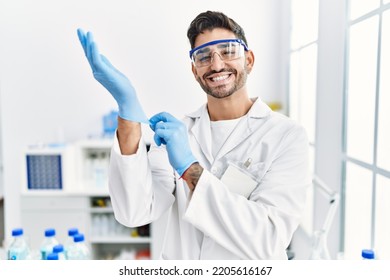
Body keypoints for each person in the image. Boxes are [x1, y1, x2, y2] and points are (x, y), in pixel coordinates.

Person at [77, 10, 311, 260]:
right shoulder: (178, 134)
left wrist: (189, 168)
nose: (217, 64)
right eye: (204, 56)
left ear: (249, 60)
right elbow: (135, 212)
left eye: (228, 51)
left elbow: (268, 238)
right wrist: (128, 114)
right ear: (195, 70)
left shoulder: (286, 136)